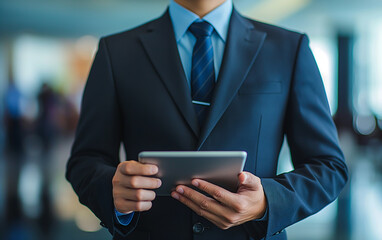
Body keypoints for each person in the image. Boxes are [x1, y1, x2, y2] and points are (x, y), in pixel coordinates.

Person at [66, 0, 348, 239]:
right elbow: (85, 160)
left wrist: (266, 201)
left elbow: (328, 167)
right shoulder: (116, 52)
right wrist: (112, 192)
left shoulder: (288, 48)